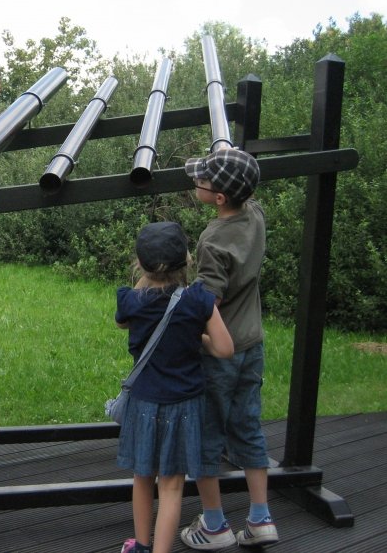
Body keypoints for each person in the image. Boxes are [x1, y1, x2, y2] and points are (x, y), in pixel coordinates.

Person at [180, 148, 280, 549]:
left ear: (219, 198)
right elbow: (245, 187)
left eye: (201, 181)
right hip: (251, 346)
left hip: (219, 353)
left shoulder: (212, 239)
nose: (196, 183)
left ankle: (215, 525)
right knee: (248, 429)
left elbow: (209, 304)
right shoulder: (255, 215)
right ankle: (261, 518)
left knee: (206, 435)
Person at [116, 221, 234, 553]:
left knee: (142, 476)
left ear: (139, 263)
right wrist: (198, 337)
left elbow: (123, 321)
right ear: (186, 259)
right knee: (171, 487)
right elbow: (225, 349)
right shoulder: (198, 299)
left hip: (144, 403)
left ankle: (139, 545)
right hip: (184, 406)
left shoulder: (130, 300)